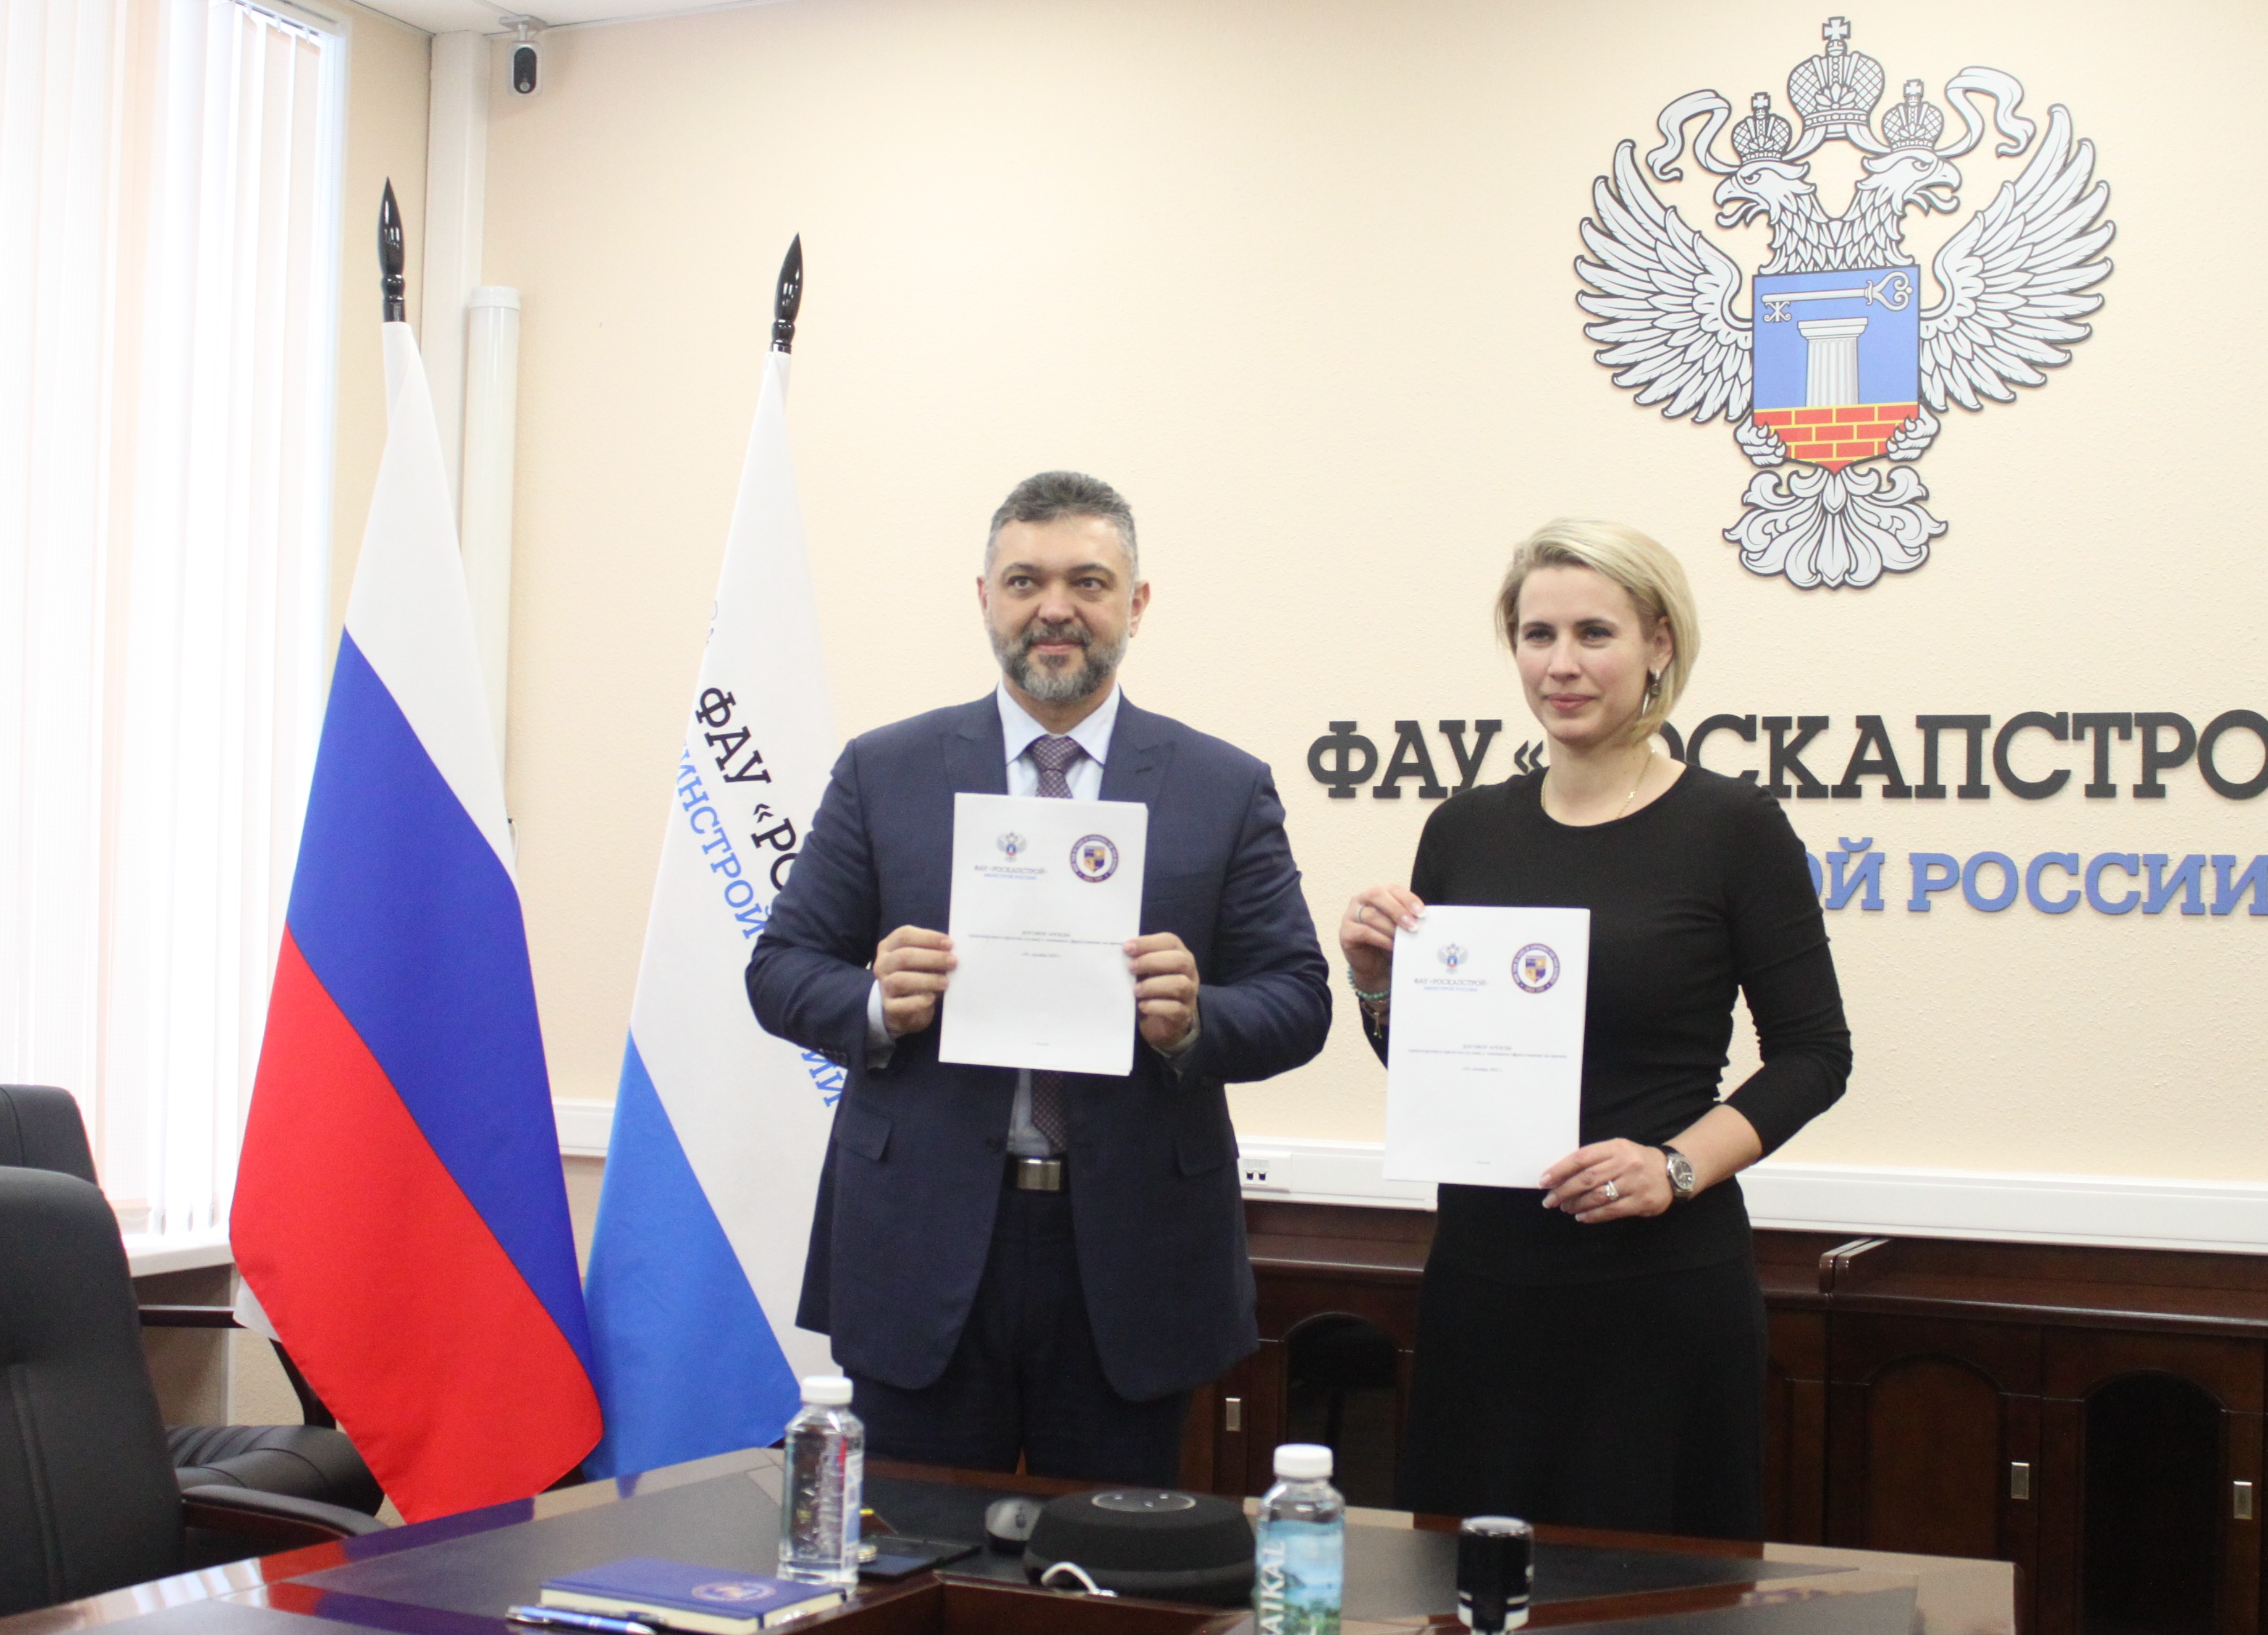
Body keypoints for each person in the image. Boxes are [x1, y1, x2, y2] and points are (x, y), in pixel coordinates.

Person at [748, 471, 1331, 1486]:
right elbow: (780, 971)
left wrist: (1195, 1019)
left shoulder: (1222, 787)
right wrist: (876, 1002)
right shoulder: (884, 771)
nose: (1053, 607)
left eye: (1086, 582)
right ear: (985, 599)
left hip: (1133, 1257)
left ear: (1135, 604)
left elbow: (1297, 1000)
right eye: (1024, 581)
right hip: (920, 1244)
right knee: (910, 1554)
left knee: (1106, 1563)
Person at [1339, 519, 1850, 1539]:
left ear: (1658, 644)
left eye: (1593, 634)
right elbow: (1432, 1065)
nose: (1560, 665)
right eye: (1537, 635)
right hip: (1484, 1285)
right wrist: (1374, 985)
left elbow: (1814, 1054)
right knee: (1464, 1595)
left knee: (1658, 1604)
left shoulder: (1732, 826)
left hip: (1658, 1290)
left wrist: (1675, 1167)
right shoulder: (1464, 829)